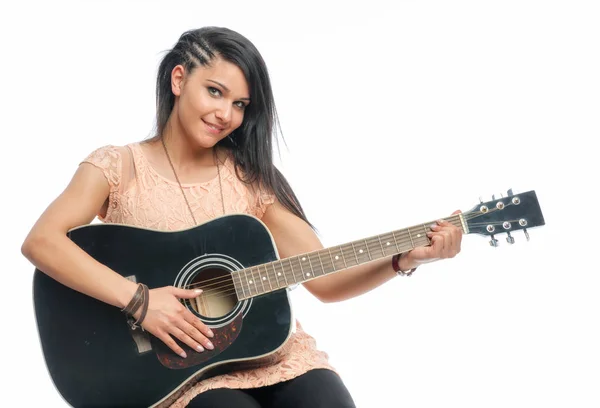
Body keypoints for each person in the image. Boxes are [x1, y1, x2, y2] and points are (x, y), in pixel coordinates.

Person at [21, 26, 463, 408]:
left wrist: (405, 260)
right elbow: (42, 241)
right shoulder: (119, 166)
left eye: (240, 104)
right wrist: (140, 301)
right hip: (185, 374)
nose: (225, 114)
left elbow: (324, 279)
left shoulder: (251, 180)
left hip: (275, 355)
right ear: (179, 79)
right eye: (215, 91)